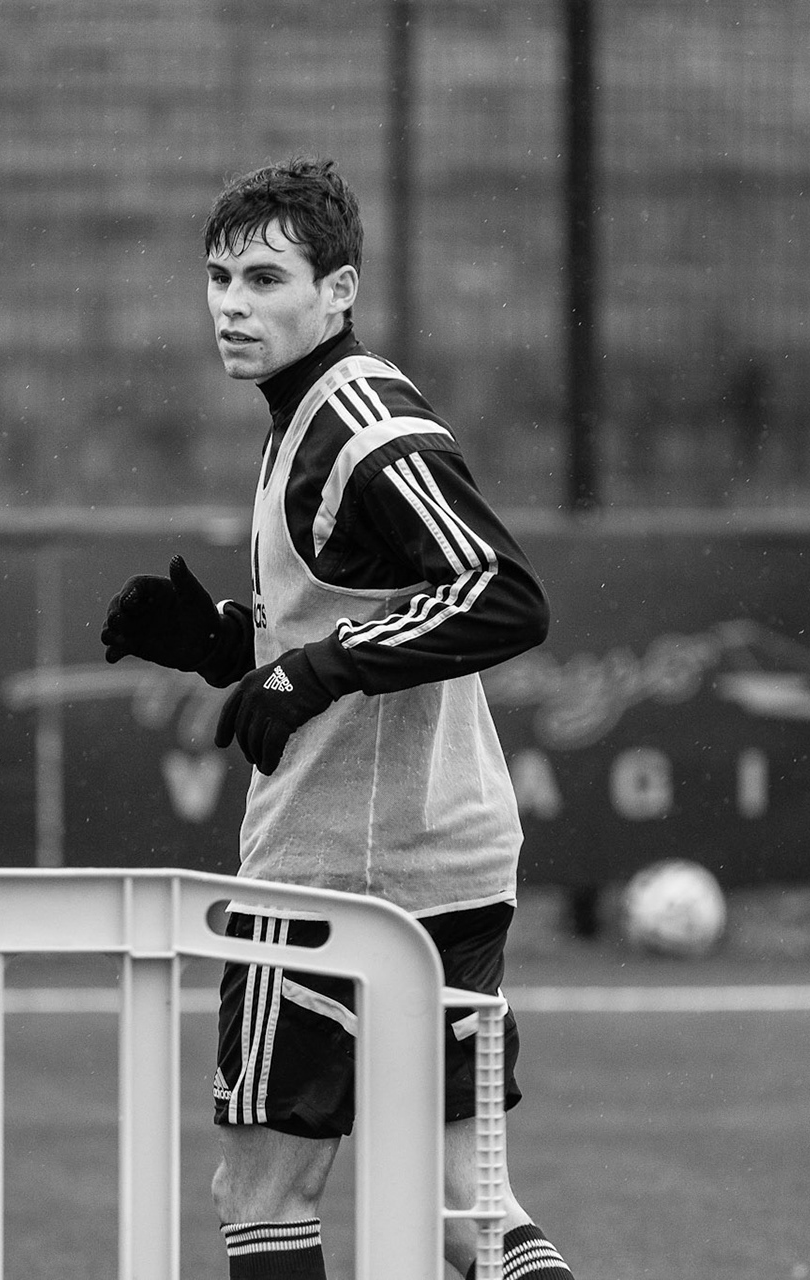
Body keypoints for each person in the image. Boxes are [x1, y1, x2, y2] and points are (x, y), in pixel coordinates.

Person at [99, 157, 573, 1280]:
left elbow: (502, 593)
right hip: (448, 861)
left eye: (266, 277)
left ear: (340, 288)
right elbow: (368, 604)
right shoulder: (307, 416)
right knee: (466, 1204)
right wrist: (226, 641)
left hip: (328, 878)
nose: (232, 302)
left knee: (260, 1189)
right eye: (218, 277)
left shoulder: (359, 423)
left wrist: (312, 670)